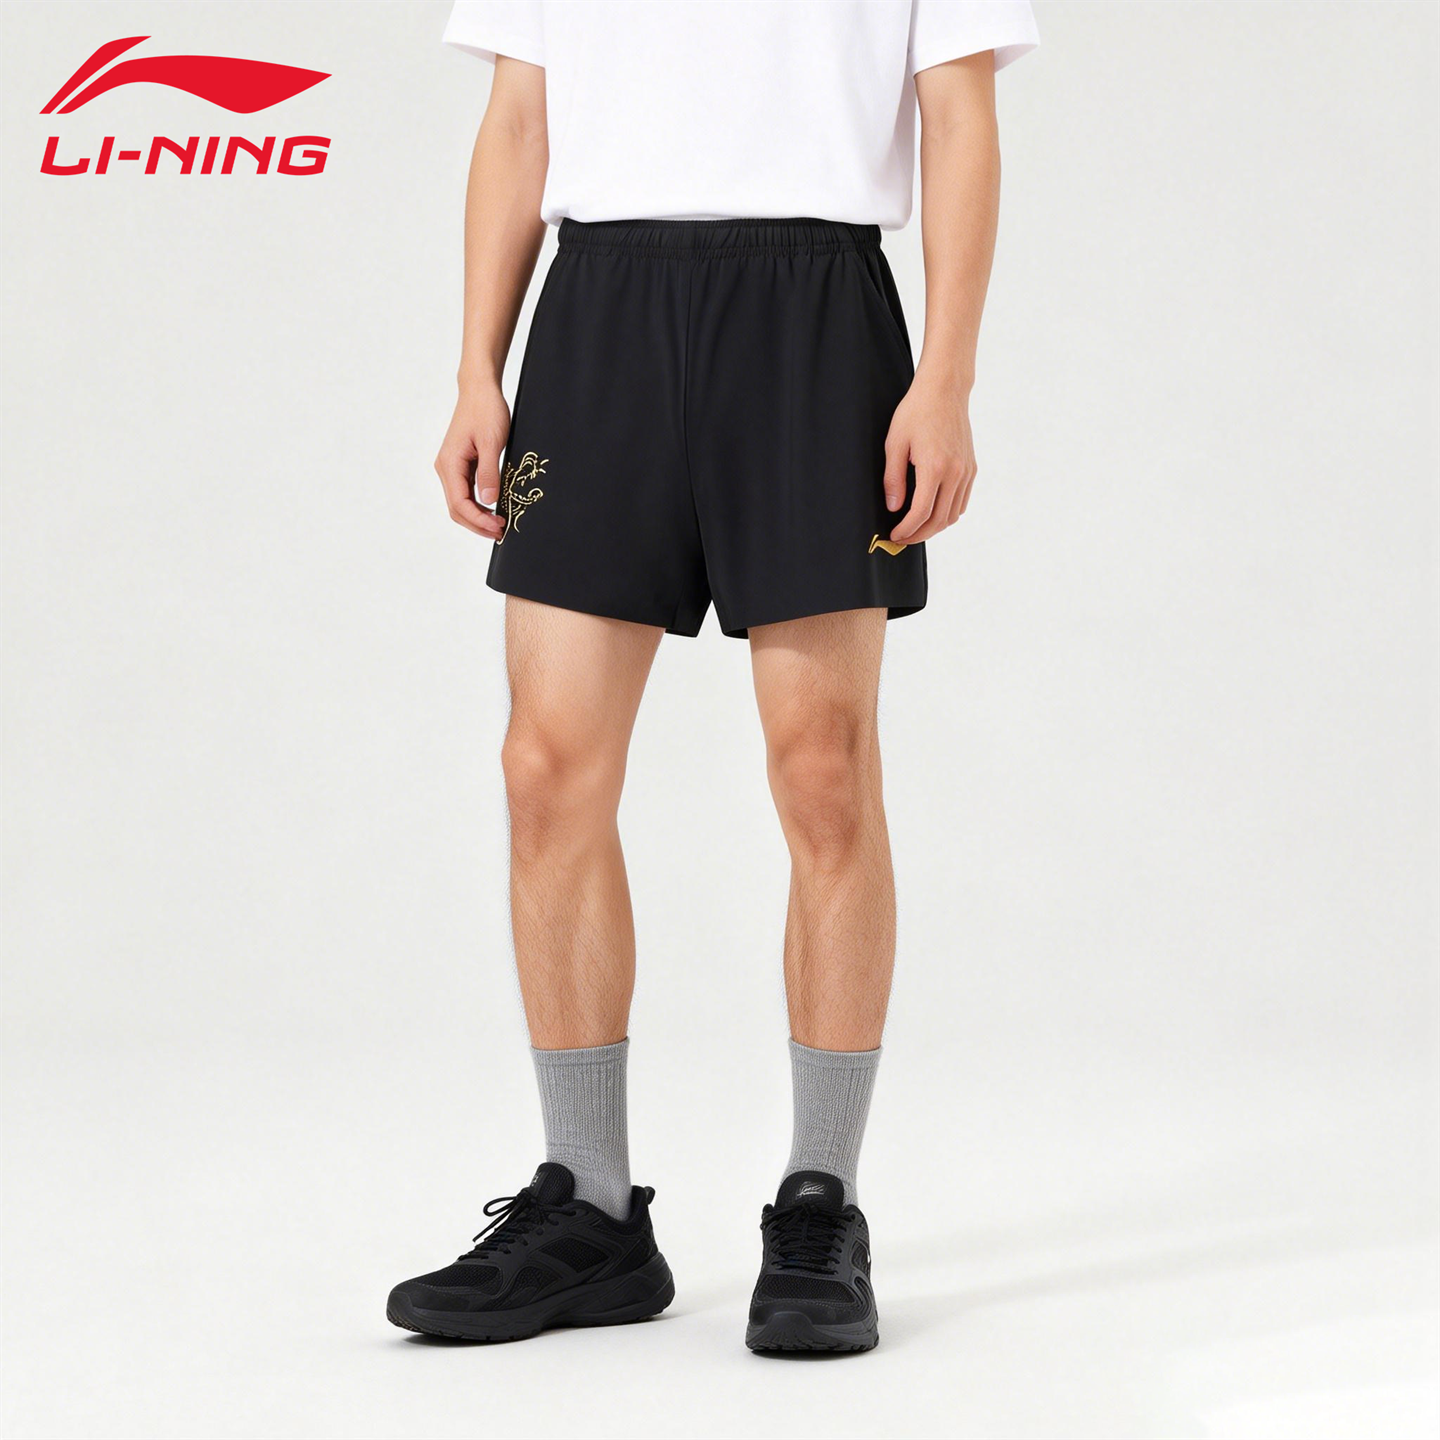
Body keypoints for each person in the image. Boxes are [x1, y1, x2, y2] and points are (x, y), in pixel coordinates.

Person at [387, 0, 1038, 1353]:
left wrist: (947, 378)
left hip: (817, 318)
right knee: (544, 767)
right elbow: (518, 121)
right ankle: (589, 1208)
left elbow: (961, 115)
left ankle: (820, 1202)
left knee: (824, 772)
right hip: (598, 319)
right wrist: (476, 370)